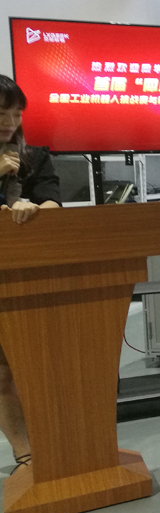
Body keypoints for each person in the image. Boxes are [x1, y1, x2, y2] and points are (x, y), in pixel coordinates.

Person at [0, 75, 61, 477]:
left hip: (29, 275)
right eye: (1, 113)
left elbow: (53, 201)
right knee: (3, 370)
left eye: (16, 114)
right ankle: (25, 454)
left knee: (40, 364)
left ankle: (57, 445)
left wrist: (35, 209)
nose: (10, 122)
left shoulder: (34, 156)